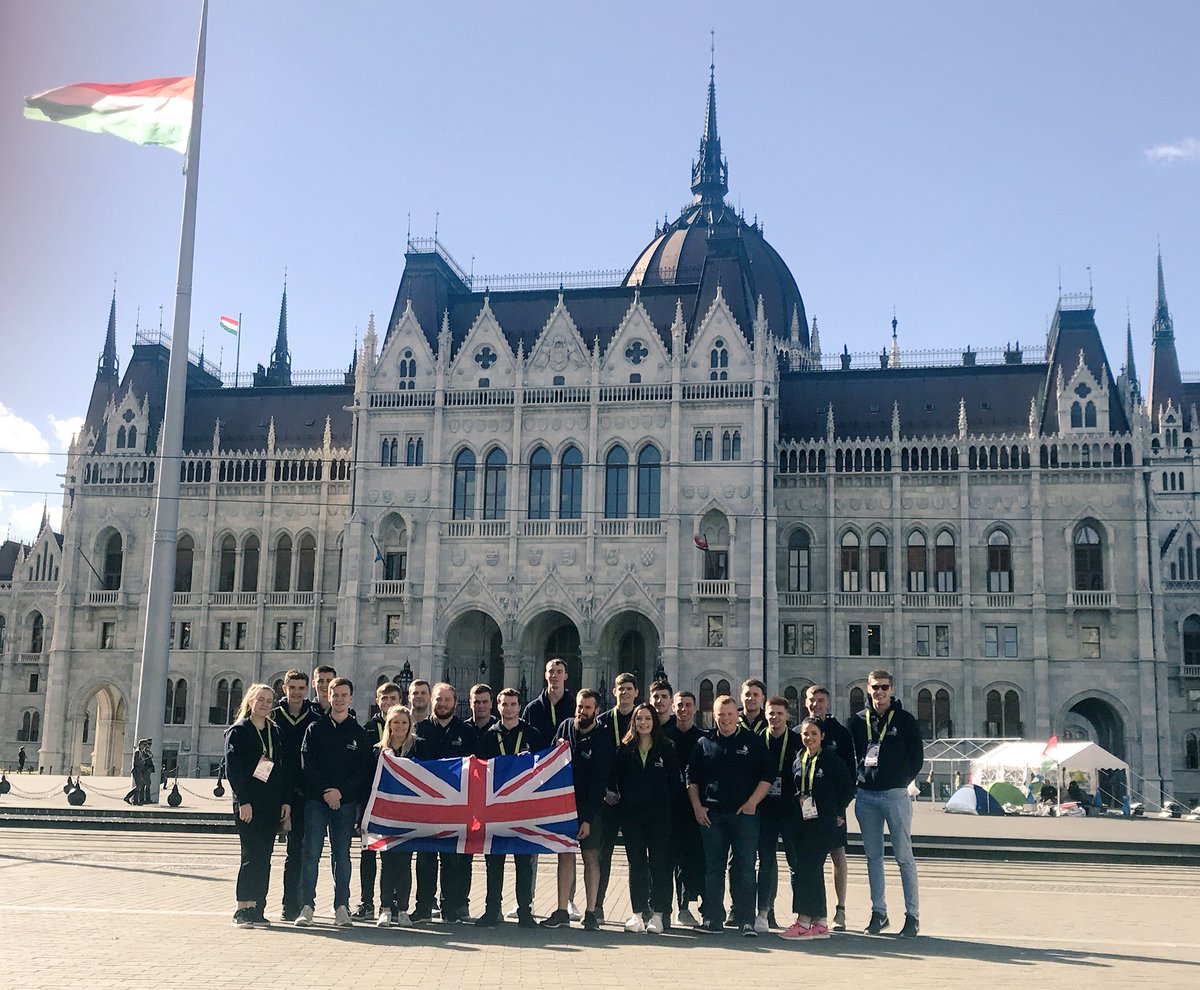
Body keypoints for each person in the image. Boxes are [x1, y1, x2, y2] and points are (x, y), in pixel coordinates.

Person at [687, 695, 773, 937]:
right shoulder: (704, 742)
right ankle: (712, 919)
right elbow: (691, 777)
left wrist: (752, 802)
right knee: (713, 868)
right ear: (713, 716)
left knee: (745, 867)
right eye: (720, 714)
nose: (725, 719)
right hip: (712, 816)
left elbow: (768, 775)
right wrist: (697, 806)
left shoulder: (752, 741)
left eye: (729, 714)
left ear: (737, 715)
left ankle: (746, 920)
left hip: (744, 816)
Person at [851, 669, 924, 938]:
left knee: (904, 856)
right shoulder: (858, 720)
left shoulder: (905, 720)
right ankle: (878, 912)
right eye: (875, 687)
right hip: (866, 796)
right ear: (868, 689)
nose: (879, 692)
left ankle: (912, 915)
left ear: (891, 689)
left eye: (884, 687)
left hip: (894, 795)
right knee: (873, 857)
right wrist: (860, 779)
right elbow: (854, 754)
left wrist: (900, 780)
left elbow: (917, 757)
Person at [296, 677, 369, 928]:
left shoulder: (359, 733)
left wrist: (341, 793)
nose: (338, 699)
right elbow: (308, 764)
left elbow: (361, 771)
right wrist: (326, 792)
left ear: (351, 698)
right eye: (334, 694)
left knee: (342, 855)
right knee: (311, 853)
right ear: (327, 696)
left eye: (343, 695)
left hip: (345, 803)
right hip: (317, 801)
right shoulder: (315, 729)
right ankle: (307, 906)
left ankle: (341, 907)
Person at [542, 688, 613, 931]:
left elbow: (599, 781)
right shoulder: (565, 727)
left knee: (590, 855)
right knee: (564, 853)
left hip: (590, 805)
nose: (582, 711)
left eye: (587, 708)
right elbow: (550, 760)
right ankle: (562, 909)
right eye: (579, 706)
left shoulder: (602, 736)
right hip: (564, 803)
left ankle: (591, 912)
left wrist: (588, 819)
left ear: (597, 710)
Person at [474, 687, 545, 927]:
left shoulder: (533, 735)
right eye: (505, 704)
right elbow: (478, 772)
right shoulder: (488, 737)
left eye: (513, 704)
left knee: (524, 863)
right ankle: (492, 910)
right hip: (495, 808)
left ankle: (525, 911)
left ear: (519, 706)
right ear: (498, 706)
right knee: (494, 862)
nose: (509, 708)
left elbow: (543, 768)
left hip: (524, 809)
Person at [779, 717, 855, 940]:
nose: (809, 738)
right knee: (811, 870)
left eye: (814, 733)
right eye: (805, 734)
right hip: (803, 822)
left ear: (822, 736)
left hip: (823, 823)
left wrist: (838, 812)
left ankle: (803, 921)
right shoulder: (799, 759)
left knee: (807, 869)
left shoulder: (831, 760)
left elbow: (847, 789)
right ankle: (820, 922)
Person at [226, 683, 291, 928]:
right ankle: (242, 908)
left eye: (268, 700)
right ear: (250, 701)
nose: (264, 704)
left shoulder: (275, 731)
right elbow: (234, 769)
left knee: (265, 856)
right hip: (249, 804)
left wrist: (285, 801)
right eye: (260, 699)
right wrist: (243, 801)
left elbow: (281, 768)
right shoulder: (239, 731)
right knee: (250, 855)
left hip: (270, 803)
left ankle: (257, 908)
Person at [411, 682, 477, 923]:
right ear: (432, 701)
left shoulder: (466, 732)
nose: (443, 704)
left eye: (447, 699)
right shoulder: (419, 729)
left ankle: (450, 908)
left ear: (455, 702)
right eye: (439, 699)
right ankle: (423, 907)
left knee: (452, 859)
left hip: (455, 806)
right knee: (425, 858)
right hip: (427, 806)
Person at [611, 703, 680, 934]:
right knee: (637, 864)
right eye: (639, 719)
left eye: (648, 718)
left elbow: (675, 782)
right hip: (632, 816)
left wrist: (664, 804)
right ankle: (637, 914)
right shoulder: (625, 748)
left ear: (654, 722)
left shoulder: (667, 747)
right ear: (634, 722)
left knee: (660, 864)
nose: (643, 723)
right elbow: (617, 778)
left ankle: (659, 915)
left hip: (660, 816)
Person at [804, 684, 855, 930]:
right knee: (810, 859)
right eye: (812, 700)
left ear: (828, 703)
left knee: (837, 853)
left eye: (820, 700)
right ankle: (812, 910)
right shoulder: (800, 731)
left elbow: (850, 778)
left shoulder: (840, 734)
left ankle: (840, 910)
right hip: (807, 810)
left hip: (833, 810)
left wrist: (840, 810)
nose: (816, 704)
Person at [272, 668, 319, 921]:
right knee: (264, 851)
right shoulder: (273, 717)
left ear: (307, 689)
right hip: (277, 790)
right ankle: (257, 903)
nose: (297, 692)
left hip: (303, 793)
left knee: (299, 851)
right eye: (293, 688)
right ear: (285, 689)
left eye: (301, 688)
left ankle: (293, 904)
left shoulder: (314, 718)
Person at [353, 681, 402, 920]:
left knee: (391, 857)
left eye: (393, 698)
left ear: (400, 701)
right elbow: (361, 769)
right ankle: (366, 902)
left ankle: (390, 903)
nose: (388, 702)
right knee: (368, 855)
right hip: (371, 803)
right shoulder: (367, 730)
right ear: (377, 701)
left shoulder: (405, 731)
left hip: (394, 805)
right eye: (384, 698)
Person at [755, 695, 801, 932]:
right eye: (771, 713)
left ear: (787, 716)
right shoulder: (757, 740)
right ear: (765, 715)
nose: (775, 717)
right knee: (766, 861)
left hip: (791, 811)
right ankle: (764, 912)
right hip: (765, 811)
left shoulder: (797, 740)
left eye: (779, 713)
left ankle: (802, 914)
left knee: (796, 862)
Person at [595, 671, 638, 922]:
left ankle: (640, 909)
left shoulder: (642, 720)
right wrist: (604, 791)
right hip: (608, 799)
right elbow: (596, 763)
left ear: (636, 692)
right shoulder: (602, 722)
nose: (625, 693)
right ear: (614, 692)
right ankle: (597, 904)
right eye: (621, 689)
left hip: (633, 800)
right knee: (603, 854)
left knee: (637, 856)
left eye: (629, 689)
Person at [372, 704, 417, 928]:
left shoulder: (418, 748)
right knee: (387, 863)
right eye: (395, 722)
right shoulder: (378, 751)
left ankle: (403, 910)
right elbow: (369, 782)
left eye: (404, 722)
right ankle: (385, 908)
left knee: (405, 863)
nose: (400, 726)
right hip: (385, 815)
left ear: (410, 725)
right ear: (388, 725)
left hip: (409, 815)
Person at [665, 690, 706, 927]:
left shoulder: (702, 739)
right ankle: (662, 908)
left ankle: (684, 907)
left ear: (694, 708)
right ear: (674, 707)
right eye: (680, 705)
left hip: (692, 808)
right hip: (668, 807)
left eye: (688, 705)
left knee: (689, 859)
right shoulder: (665, 736)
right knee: (665, 858)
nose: (684, 709)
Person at [522, 658, 572, 741]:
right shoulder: (532, 708)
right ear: (545, 675)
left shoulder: (574, 707)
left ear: (565, 676)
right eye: (551, 671)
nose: (554, 675)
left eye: (559, 672)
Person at [131, 738, 155, 805]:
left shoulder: (144, 751)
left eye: (149, 744)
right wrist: (146, 759)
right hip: (140, 770)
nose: (147, 745)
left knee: (142, 785)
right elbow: (137, 762)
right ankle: (134, 799)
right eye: (145, 744)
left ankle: (139, 800)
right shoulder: (139, 752)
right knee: (140, 786)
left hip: (143, 770)